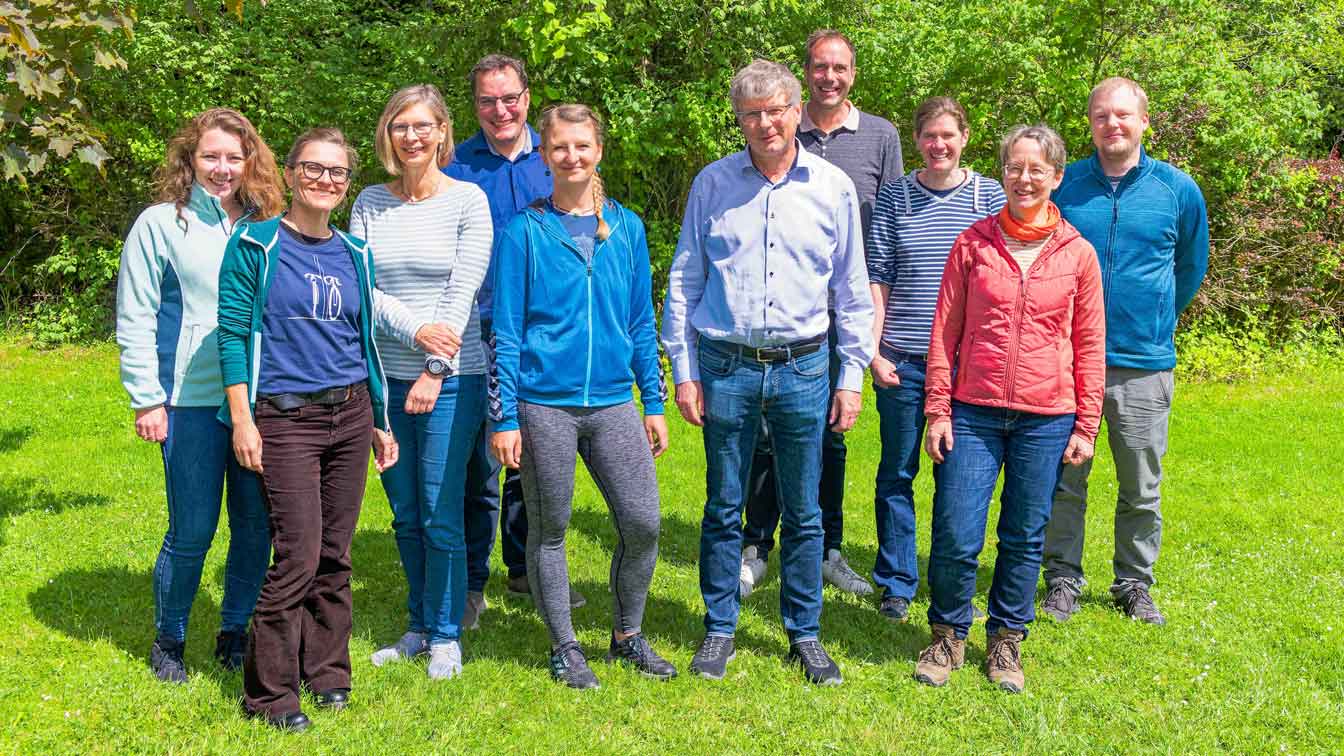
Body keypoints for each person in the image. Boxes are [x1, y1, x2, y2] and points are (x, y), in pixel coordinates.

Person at [662, 59, 874, 686]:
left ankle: (804, 633)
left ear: (796, 111)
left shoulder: (831, 187)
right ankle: (719, 627)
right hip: (726, 366)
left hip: (805, 367)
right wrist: (684, 369)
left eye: (776, 110)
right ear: (740, 120)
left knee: (805, 510)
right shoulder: (713, 183)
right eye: (752, 113)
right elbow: (686, 277)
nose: (765, 123)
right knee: (723, 504)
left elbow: (852, 288)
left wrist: (851, 376)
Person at [219, 127, 399, 732]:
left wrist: (378, 421)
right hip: (284, 417)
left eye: (337, 172)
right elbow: (232, 336)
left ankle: (327, 673)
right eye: (313, 168)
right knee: (296, 554)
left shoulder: (355, 253)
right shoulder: (256, 243)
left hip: (350, 413)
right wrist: (243, 420)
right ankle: (270, 694)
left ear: (347, 183)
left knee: (335, 555)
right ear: (292, 174)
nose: (326, 180)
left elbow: (362, 341)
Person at [914, 125, 1105, 693]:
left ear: (1057, 177)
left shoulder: (1078, 254)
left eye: (1036, 169)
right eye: (1014, 168)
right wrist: (938, 409)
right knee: (955, 531)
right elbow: (944, 332)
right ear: (1002, 173)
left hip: (1046, 417)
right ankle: (948, 634)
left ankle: (1005, 640)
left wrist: (1086, 425)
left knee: (1023, 536)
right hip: (972, 411)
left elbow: (1090, 344)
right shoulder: (973, 244)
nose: (1024, 179)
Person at [489, 104, 673, 689]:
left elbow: (640, 321)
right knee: (551, 528)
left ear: (599, 151)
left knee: (643, 523)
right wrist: (504, 416)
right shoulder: (524, 231)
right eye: (560, 147)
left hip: (615, 401)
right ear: (544, 155)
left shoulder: (626, 228)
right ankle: (564, 646)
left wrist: (653, 402)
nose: (572, 156)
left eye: (582, 146)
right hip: (544, 404)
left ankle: (627, 635)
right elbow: (506, 332)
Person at [116, 107, 283, 684]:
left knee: (255, 525)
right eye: (211, 156)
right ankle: (170, 638)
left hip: (258, 402)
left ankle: (234, 631)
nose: (222, 168)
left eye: (234, 157)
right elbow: (136, 313)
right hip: (187, 399)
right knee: (192, 530)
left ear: (251, 161)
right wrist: (146, 397)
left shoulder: (269, 227)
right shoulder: (161, 223)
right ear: (190, 158)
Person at [739, 29, 904, 599]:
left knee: (831, 434)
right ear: (805, 72)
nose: (829, 77)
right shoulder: (780, 123)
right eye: (819, 66)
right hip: (783, 308)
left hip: (844, 312)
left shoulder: (881, 135)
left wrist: (877, 317)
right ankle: (757, 544)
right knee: (765, 431)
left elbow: (889, 223)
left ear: (853, 74)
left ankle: (827, 548)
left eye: (840, 67)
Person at [1041, 77, 1210, 625]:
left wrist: (1156, 317)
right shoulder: (1066, 187)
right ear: (1090, 124)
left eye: (1122, 115)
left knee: (1140, 486)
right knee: (1064, 482)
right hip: (1066, 361)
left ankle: (1133, 582)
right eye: (1101, 115)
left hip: (1142, 364)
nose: (1112, 124)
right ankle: (1062, 577)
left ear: (1143, 122)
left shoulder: (1176, 190)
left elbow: (1191, 266)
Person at [351, 85, 493, 679]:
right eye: (400, 126)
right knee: (406, 513)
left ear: (442, 132)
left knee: (439, 511)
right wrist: (414, 333)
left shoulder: (468, 200)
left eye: (422, 126)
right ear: (388, 134)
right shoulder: (368, 203)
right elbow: (363, 286)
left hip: (453, 379)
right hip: (387, 377)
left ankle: (446, 635)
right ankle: (418, 625)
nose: (411, 136)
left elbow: (462, 290)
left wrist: (435, 369)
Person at [445, 54, 584, 623]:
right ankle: (472, 583)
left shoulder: (555, 159)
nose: (500, 110)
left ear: (527, 98)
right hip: (478, 329)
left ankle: (528, 569)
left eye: (509, 98)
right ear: (475, 105)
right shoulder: (455, 166)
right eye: (487, 101)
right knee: (480, 464)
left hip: (544, 331)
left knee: (538, 462)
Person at [866, 96, 1005, 622]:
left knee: (958, 479)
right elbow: (878, 277)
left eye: (948, 135)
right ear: (916, 140)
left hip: (967, 366)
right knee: (897, 474)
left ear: (965, 137)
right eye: (929, 136)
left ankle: (949, 580)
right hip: (902, 360)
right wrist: (874, 351)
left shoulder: (989, 197)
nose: (938, 145)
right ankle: (897, 582)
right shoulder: (896, 196)